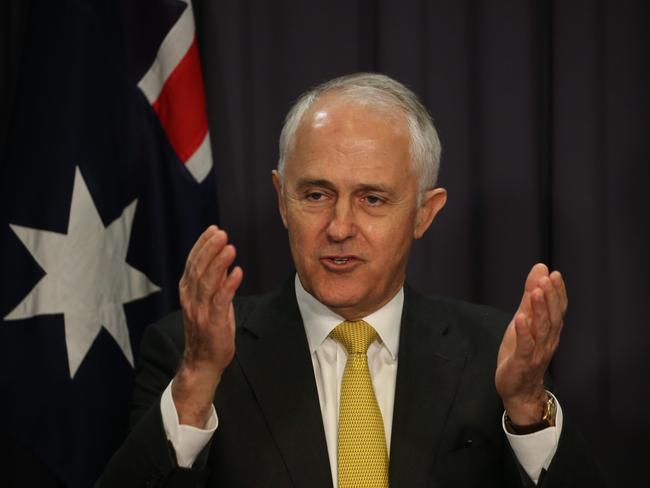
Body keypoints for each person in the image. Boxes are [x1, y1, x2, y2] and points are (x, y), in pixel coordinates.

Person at [100, 73, 600, 487]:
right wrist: (195, 384)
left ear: (425, 213)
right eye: (316, 195)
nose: (339, 227)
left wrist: (527, 410)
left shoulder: (497, 353)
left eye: (372, 199)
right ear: (281, 200)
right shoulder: (189, 353)